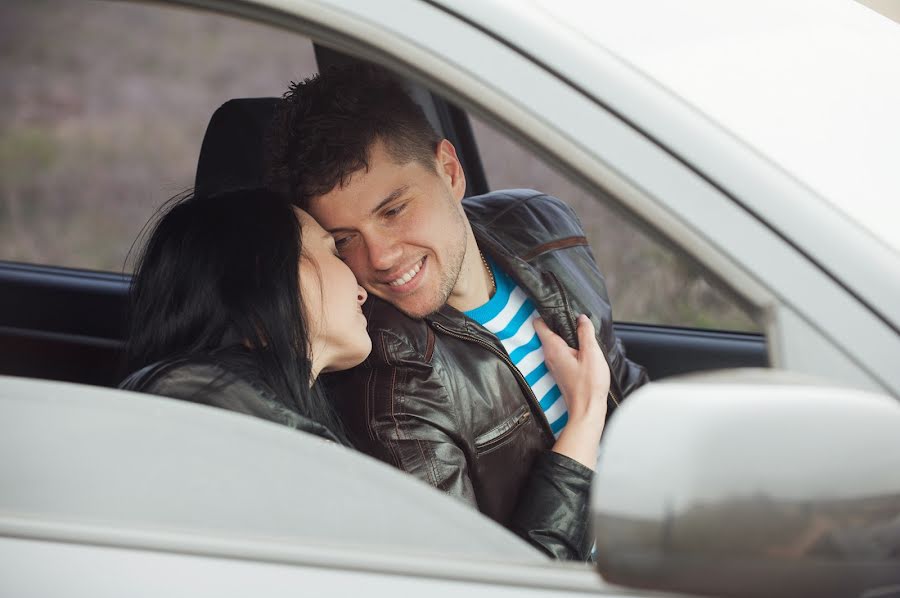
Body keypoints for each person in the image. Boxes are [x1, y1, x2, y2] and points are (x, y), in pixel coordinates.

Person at [266, 65, 649, 560]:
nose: (379, 258)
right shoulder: (391, 381)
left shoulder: (545, 229)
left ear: (449, 172)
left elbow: (625, 385)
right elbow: (486, 582)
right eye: (343, 240)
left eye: (393, 210)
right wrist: (586, 418)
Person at [120, 187, 611, 559]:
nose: (362, 280)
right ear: (266, 280)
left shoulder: (256, 418)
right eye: (334, 249)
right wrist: (584, 426)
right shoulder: (213, 415)